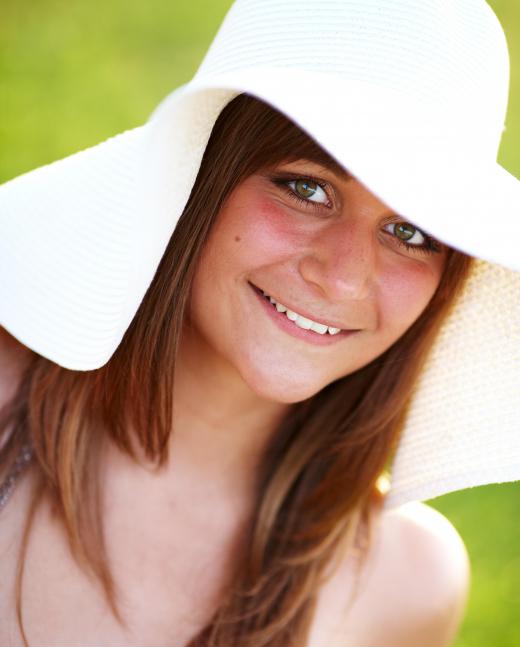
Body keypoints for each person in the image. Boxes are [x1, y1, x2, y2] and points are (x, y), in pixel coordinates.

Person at [0, 1, 518, 645]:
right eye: (307, 189)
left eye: (411, 231)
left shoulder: (404, 585)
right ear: (203, 173)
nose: (344, 277)